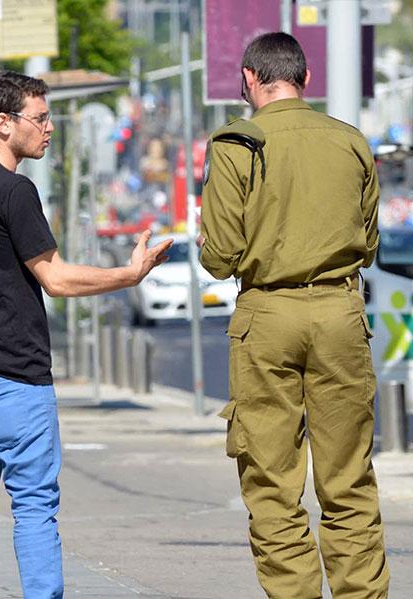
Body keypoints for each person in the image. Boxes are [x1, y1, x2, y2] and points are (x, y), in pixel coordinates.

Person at [0, 71, 170, 598]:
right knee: (34, 506)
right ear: (4, 124)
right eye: (40, 117)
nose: (49, 128)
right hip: (16, 383)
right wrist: (129, 275)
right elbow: (54, 278)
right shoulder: (14, 190)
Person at [200, 32, 388, 598]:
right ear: (304, 80)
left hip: (266, 314)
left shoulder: (236, 144)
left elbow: (218, 257)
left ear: (251, 79)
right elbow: (370, 240)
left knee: (272, 482)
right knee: (348, 477)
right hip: (340, 312)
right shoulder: (349, 141)